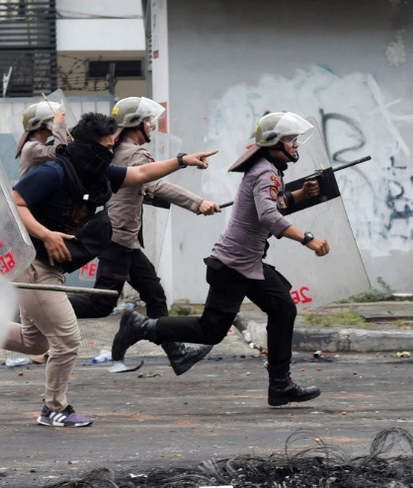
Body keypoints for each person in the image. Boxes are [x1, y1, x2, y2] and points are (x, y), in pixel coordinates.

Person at [4, 112, 216, 427]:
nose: (109, 150)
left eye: (111, 144)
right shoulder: (52, 172)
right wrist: (46, 234)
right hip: (33, 263)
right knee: (67, 340)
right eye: (105, 145)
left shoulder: (98, 172)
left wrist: (182, 160)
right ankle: (54, 408)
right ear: (87, 145)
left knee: (36, 342)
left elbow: (141, 172)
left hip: (52, 265)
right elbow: (15, 202)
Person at [112, 111, 329, 407]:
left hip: (248, 263)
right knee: (211, 329)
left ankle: (280, 385)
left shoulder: (270, 169)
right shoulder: (265, 171)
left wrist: (301, 193)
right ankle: (142, 327)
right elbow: (268, 215)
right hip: (233, 265)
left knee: (283, 309)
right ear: (275, 143)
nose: (296, 146)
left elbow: (272, 204)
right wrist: (308, 239)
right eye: (291, 140)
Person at [67, 97, 219, 375]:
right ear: (137, 125)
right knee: (102, 303)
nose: (151, 126)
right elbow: (156, 184)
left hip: (124, 239)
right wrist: (199, 203)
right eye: (149, 122)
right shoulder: (136, 155)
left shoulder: (115, 151)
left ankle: (177, 354)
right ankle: (41, 309)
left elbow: (139, 188)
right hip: (119, 239)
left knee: (154, 295)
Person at [15, 100, 69, 176]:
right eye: (53, 120)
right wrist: (58, 125)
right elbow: (59, 152)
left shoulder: (36, 145)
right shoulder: (31, 147)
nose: (55, 122)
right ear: (40, 125)